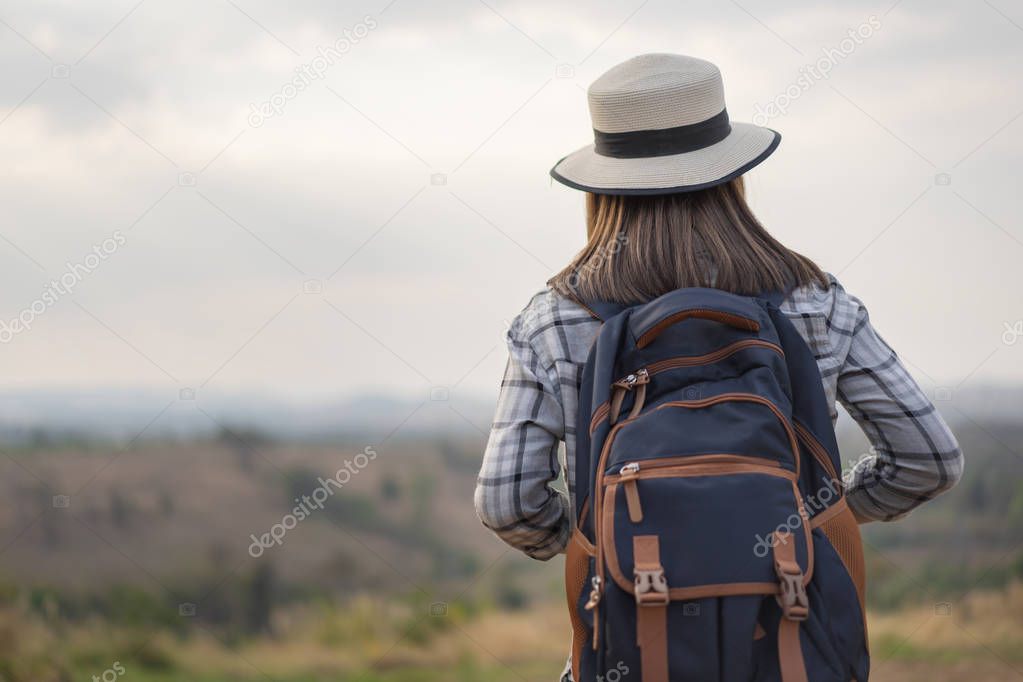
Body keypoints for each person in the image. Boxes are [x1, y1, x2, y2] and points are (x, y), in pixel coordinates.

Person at [474, 53, 963, 681]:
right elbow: (928, 459)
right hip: (795, 645)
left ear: (603, 185)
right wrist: (797, 510)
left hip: (629, 648)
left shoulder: (555, 318)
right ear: (731, 173)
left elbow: (507, 503)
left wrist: (610, 533)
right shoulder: (816, 301)